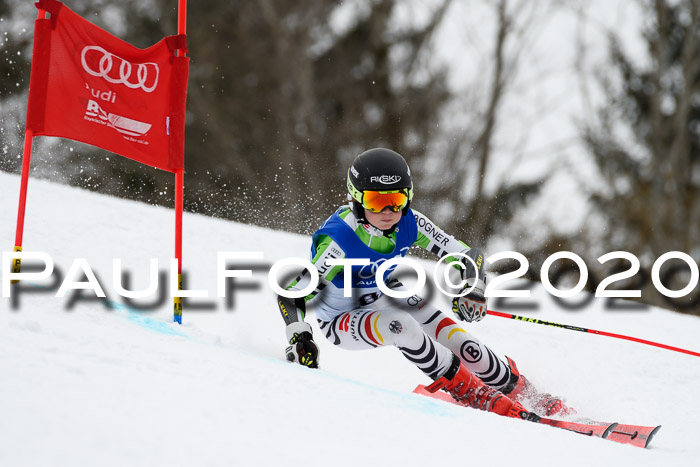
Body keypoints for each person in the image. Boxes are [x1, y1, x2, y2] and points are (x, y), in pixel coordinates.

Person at [277, 148, 572, 420]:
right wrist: (300, 337)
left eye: (397, 199)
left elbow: (469, 256)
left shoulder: (410, 223)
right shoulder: (339, 241)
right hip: (342, 320)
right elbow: (291, 293)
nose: (388, 211)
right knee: (401, 324)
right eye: (376, 201)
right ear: (355, 199)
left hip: (388, 295)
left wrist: (473, 288)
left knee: (466, 346)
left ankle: (524, 392)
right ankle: (468, 390)